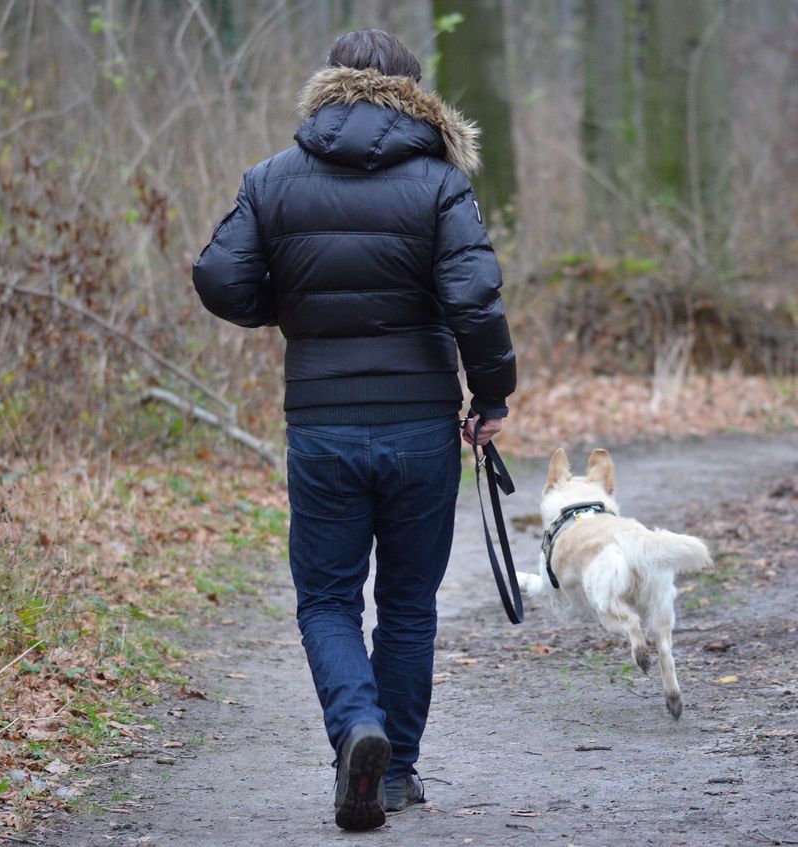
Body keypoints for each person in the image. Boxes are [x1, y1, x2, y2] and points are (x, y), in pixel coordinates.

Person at [192, 28, 515, 832]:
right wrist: (494, 394)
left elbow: (219, 277)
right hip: (418, 425)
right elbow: (474, 299)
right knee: (408, 604)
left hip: (323, 421)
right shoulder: (441, 183)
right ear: (414, 93)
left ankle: (354, 730)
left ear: (328, 85)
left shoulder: (273, 178)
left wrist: (291, 308)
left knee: (329, 599)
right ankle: (395, 768)